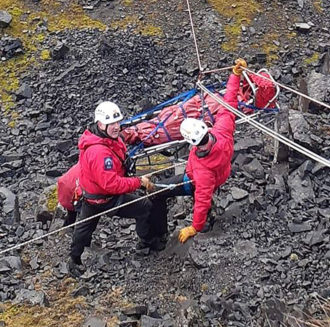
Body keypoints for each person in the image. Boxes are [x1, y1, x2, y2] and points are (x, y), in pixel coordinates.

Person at [68, 101, 165, 275]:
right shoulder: (99, 152)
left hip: (92, 195)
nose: (115, 126)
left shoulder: (104, 138)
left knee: (84, 228)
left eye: (117, 122)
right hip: (103, 198)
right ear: (100, 124)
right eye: (111, 123)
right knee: (144, 208)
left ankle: (74, 259)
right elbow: (111, 184)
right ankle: (147, 241)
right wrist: (138, 182)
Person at [168, 58, 246, 243]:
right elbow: (229, 102)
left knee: (192, 195)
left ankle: (204, 224)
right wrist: (235, 76)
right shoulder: (223, 131)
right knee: (204, 194)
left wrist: (194, 227)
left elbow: (202, 199)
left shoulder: (203, 171)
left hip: (197, 178)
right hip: (220, 173)